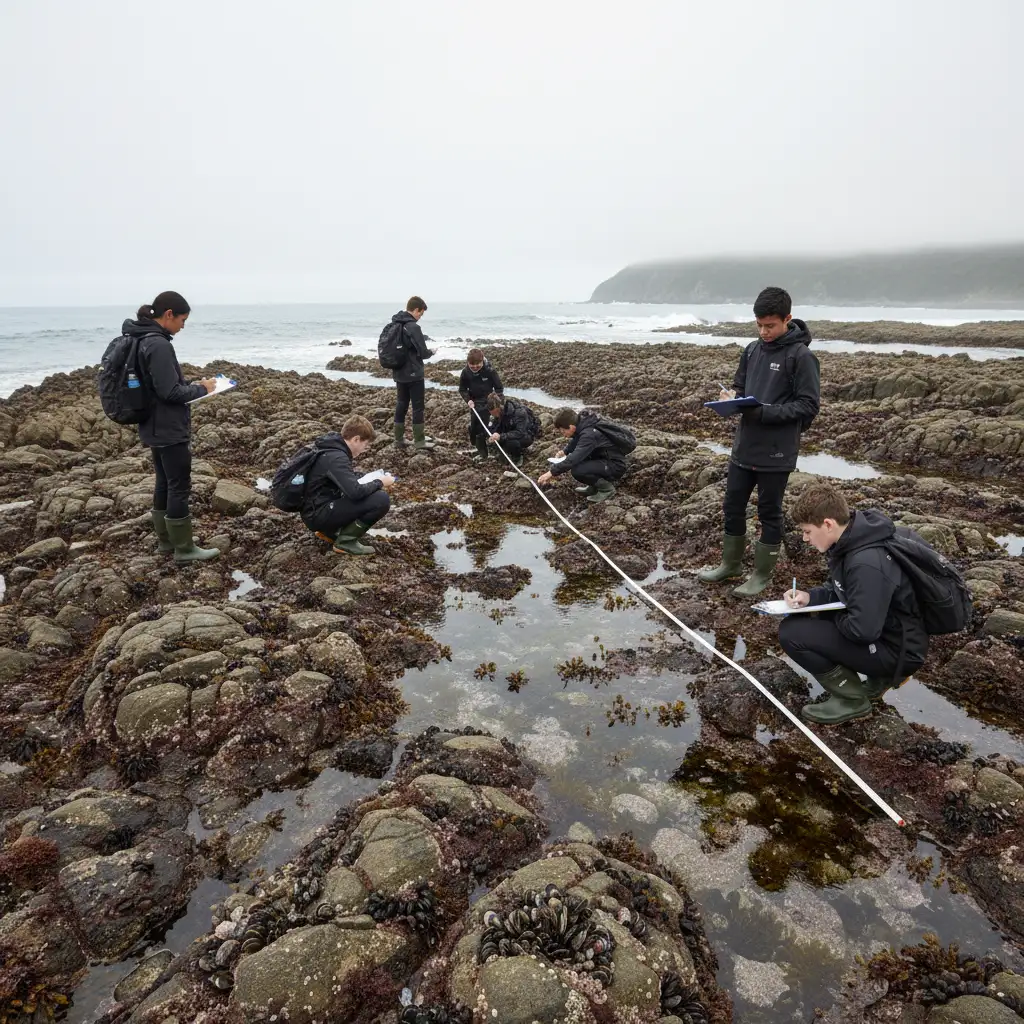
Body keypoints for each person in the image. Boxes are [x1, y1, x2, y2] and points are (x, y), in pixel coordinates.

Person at [699, 286, 820, 597]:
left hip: (777, 451)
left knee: (769, 511)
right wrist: (731, 398)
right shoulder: (751, 350)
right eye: (759, 325)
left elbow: (808, 406)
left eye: (770, 325)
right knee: (732, 506)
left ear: (787, 319)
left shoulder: (801, 357)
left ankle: (761, 575)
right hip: (744, 446)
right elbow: (740, 385)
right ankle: (731, 564)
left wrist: (764, 412)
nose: (764, 332)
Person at [778, 483, 928, 724]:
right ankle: (881, 679)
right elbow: (842, 590)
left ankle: (852, 701)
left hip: (898, 650)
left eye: (807, 531)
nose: (805, 538)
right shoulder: (855, 540)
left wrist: (826, 616)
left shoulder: (864, 562)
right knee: (812, 616)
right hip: (898, 636)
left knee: (792, 632)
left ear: (828, 524)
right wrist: (810, 598)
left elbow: (862, 630)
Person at [126, 291, 220, 563]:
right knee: (179, 485)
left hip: (152, 425)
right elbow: (170, 393)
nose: (183, 326)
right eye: (182, 320)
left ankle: (166, 543)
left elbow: (160, 385)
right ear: (168, 314)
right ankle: (184, 549)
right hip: (168, 426)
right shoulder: (159, 344)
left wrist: (192, 384)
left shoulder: (139, 337)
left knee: (164, 482)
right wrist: (201, 388)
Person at [301, 415, 395, 555]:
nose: (365, 449)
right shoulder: (337, 458)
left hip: (314, 510)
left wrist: (364, 477)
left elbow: (339, 480)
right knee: (381, 500)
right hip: (317, 515)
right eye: (365, 444)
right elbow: (355, 492)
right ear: (356, 439)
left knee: (362, 491)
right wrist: (380, 482)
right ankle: (346, 542)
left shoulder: (330, 449)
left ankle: (330, 532)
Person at [537, 408, 627, 503]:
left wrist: (551, 472)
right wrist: (565, 451)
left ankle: (607, 489)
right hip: (604, 459)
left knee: (578, 470)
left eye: (563, 432)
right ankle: (594, 487)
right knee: (581, 462)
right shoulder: (583, 425)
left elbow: (574, 458)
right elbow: (577, 439)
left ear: (571, 427)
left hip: (615, 465)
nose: (563, 435)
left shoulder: (589, 434)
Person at [389, 296, 435, 450]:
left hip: (399, 373)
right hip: (414, 374)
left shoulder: (395, 324)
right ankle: (419, 442)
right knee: (417, 407)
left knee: (401, 403)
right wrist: (431, 352)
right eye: (420, 314)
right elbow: (422, 352)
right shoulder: (413, 327)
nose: (419, 317)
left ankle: (399, 439)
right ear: (416, 310)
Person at [459, 348, 504, 462]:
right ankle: (479, 448)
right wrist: (468, 400)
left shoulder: (490, 370)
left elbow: (499, 388)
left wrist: (495, 401)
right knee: (474, 427)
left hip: (488, 402)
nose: (474, 367)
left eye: (477, 364)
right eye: (471, 364)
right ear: (468, 363)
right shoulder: (465, 372)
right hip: (474, 403)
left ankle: (484, 454)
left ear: (482, 361)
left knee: (482, 428)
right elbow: (462, 389)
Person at [485, 393, 535, 469]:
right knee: (493, 435)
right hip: (509, 432)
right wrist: (493, 433)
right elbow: (496, 427)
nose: (495, 415)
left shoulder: (519, 412)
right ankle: (502, 452)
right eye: (492, 414)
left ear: (500, 407)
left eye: (495, 413)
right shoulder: (499, 413)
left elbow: (520, 432)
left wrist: (501, 436)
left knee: (510, 442)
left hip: (525, 435)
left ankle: (517, 458)